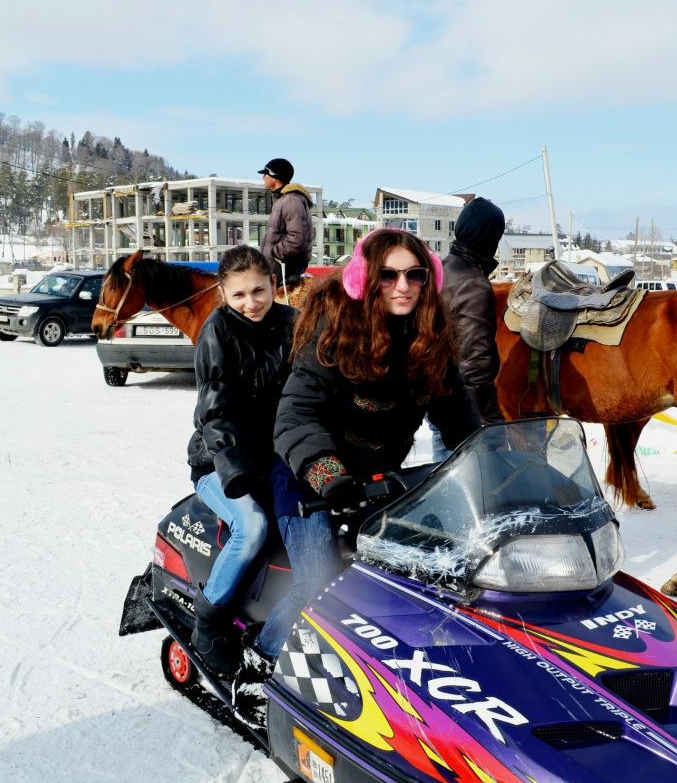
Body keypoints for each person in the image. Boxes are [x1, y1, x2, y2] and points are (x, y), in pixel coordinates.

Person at [238, 230, 477, 718]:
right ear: (365, 279)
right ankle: (258, 665)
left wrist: (502, 465)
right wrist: (330, 476)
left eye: (413, 274)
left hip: (379, 484)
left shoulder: (431, 342)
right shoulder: (335, 328)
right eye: (388, 274)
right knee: (321, 580)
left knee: (430, 572)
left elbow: (461, 421)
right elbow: (297, 416)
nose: (402, 286)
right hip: (310, 481)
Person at [186, 245, 298, 676]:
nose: (251, 303)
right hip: (219, 461)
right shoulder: (217, 332)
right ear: (223, 294)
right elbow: (215, 412)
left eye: (259, 290)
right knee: (252, 526)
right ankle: (209, 616)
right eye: (239, 295)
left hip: (275, 455)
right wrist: (235, 473)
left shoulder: (291, 323)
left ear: (274, 284)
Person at [442, 197, 508, 425]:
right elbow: (474, 365)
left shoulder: (442, 269)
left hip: (441, 398)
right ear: (489, 238)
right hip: (465, 406)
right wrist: (491, 421)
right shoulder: (474, 286)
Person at [257, 158, 315, 287]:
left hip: (283, 267)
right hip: (277, 266)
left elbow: (297, 238)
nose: (263, 177)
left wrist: (274, 252)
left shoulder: (291, 200)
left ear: (274, 176)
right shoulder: (284, 199)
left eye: (265, 173)